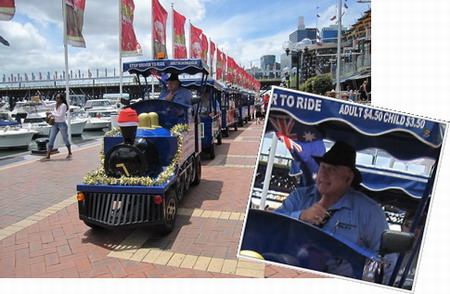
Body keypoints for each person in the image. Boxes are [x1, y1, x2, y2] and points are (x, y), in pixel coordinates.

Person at [274, 141, 396, 281]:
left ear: (349, 178)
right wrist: (301, 216)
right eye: (322, 168)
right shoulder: (300, 197)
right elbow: (269, 225)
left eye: (332, 170)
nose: (323, 175)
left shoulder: (370, 211)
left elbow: (387, 261)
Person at [41, 93, 72, 161]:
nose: (56, 99)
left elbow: (60, 115)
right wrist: (41, 99)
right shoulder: (55, 104)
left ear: (61, 99)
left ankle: (69, 152)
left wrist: (51, 113)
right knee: (51, 138)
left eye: (58, 98)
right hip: (55, 123)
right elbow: (46, 106)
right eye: (56, 97)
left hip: (62, 124)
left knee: (65, 138)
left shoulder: (63, 105)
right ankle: (48, 156)